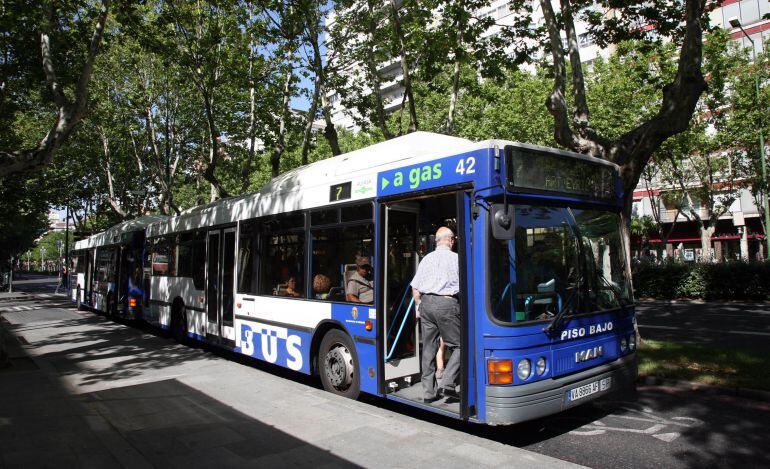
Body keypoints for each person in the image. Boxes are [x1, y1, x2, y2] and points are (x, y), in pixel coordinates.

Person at [411, 227, 460, 403]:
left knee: (429, 349)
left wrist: (420, 305)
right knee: (460, 345)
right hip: (446, 304)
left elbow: (415, 287)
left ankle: (429, 393)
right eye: (453, 239)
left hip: (426, 304)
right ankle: (447, 382)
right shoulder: (456, 259)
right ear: (451, 240)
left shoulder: (426, 259)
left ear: (437, 241)